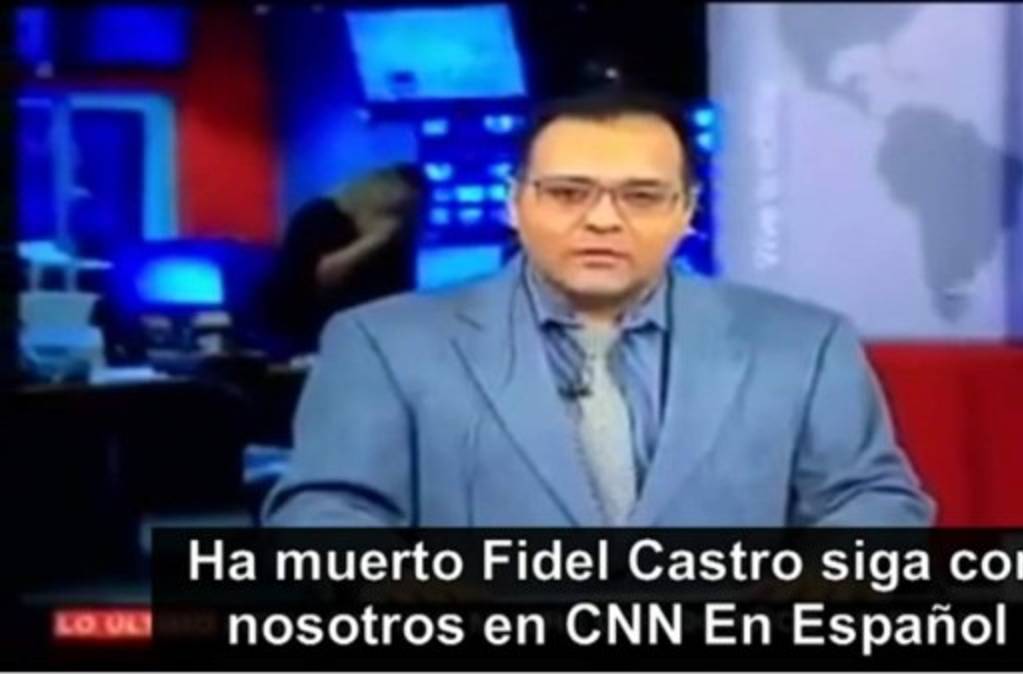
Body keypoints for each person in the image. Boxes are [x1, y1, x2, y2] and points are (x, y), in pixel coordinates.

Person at [263, 88, 934, 527]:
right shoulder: (382, 344)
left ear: (686, 211)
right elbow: (325, 510)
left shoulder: (803, 344)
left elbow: (873, 500)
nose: (604, 220)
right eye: (568, 193)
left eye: (641, 196)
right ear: (515, 203)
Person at [261, 165, 426, 355]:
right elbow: (319, 277)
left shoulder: (399, 235)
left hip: (365, 330)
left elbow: (399, 292)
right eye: (396, 208)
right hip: (303, 325)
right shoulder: (320, 216)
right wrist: (372, 240)